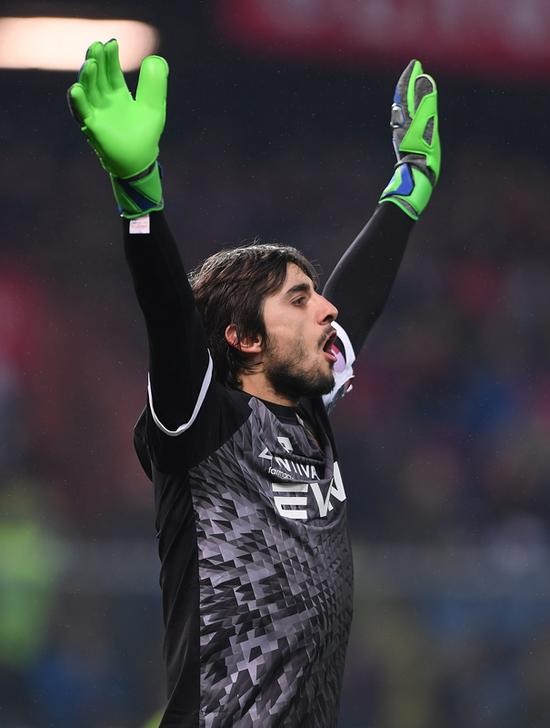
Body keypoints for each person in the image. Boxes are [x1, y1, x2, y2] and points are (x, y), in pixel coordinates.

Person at [68, 40, 440, 728]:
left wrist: (411, 185)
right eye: (299, 299)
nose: (325, 307)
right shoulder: (204, 425)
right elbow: (170, 321)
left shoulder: (305, 410)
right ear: (242, 338)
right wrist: (140, 194)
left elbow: (355, 305)